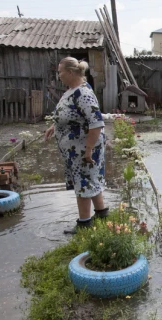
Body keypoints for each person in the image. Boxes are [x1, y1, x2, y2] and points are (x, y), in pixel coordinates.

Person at [45, 57, 109, 234]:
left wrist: (88, 150)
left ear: (71, 72)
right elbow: (70, 114)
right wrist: (55, 126)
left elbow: (96, 123)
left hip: (84, 148)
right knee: (90, 180)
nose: (59, 76)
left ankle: (84, 224)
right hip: (77, 149)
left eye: (60, 72)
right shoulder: (72, 91)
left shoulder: (83, 94)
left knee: (83, 183)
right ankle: (102, 213)